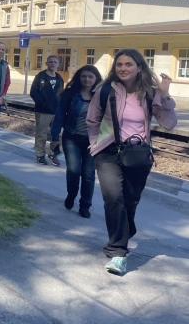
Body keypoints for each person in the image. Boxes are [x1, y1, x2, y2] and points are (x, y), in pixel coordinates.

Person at [86, 49, 176, 275]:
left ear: (139, 67)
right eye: (119, 64)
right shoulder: (105, 89)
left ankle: (125, 228)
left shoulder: (150, 92)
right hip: (108, 153)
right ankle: (118, 252)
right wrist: (95, 144)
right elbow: (92, 119)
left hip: (138, 154)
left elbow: (169, 123)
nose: (123, 68)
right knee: (113, 198)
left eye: (128, 64)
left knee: (130, 201)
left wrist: (164, 94)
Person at [49, 65, 102, 218]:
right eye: (84, 76)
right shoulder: (71, 93)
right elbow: (59, 115)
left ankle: (85, 205)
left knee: (88, 173)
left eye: (90, 77)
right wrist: (54, 137)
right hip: (72, 137)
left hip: (93, 140)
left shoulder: (102, 95)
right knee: (74, 170)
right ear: (79, 77)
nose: (87, 79)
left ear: (96, 78)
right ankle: (71, 195)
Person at [30, 55, 65, 165]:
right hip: (43, 110)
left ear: (58, 64)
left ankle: (53, 153)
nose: (52, 64)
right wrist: (41, 103)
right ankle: (40, 155)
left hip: (56, 111)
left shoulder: (59, 78)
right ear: (46, 63)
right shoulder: (41, 77)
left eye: (55, 62)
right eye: (50, 62)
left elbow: (61, 94)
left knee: (57, 134)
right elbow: (33, 92)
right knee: (41, 134)